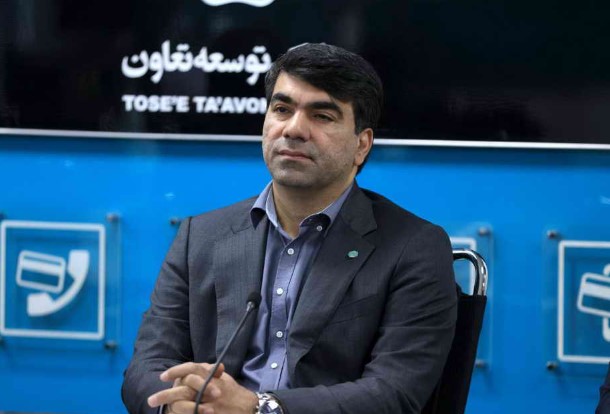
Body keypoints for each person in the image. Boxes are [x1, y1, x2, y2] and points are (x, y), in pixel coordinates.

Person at [122, 43, 457, 414]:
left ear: (361, 146)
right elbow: (146, 366)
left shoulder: (413, 247)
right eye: (282, 109)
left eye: (322, 116)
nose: (294, 129)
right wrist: (175, 407)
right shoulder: (200, 236)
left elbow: (394, 392)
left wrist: (258, 408)